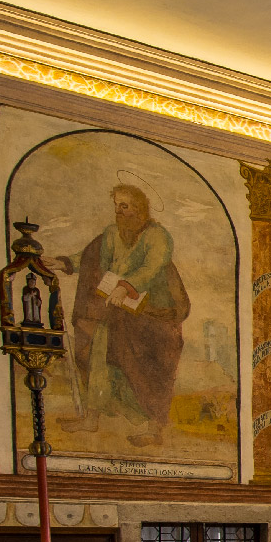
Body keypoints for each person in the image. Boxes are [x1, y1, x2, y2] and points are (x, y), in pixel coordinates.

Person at [52, 182, 190, 448]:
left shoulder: (157, 236)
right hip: (116, 309)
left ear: (139, 208)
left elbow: (152, 267)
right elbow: (91, 256)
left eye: (124, 206)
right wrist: (66, 263)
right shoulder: (112, 233)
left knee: (149, 367)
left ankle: (153, 427)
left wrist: (126, 286)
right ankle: (90, 418)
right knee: (97, 356)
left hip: (152, 313)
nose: (118, 211)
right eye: (116, 205)